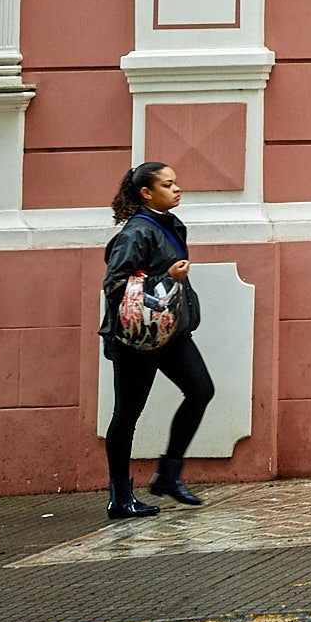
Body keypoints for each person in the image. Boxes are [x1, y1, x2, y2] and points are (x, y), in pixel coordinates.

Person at [99, 161, 214, 520]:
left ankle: (168, 474)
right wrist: (165, 275)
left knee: (200, 390)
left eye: (176, 182)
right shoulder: (136, 233)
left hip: (170, 332)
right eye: (168, 184)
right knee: (128, 413)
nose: (177, 189)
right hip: (136, 337)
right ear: (146, 192)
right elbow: (114, 284)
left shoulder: (171, 224)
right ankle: (120, 496)